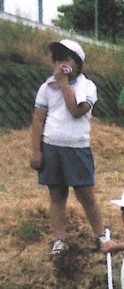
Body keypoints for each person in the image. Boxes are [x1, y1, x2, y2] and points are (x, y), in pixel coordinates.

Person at [30, 39, 106, 256]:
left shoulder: (87, 86)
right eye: (58, 59)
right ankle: (59, 240)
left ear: (78, 62)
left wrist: (63, 83)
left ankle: (100, 235)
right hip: (51, 146)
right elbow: (37, 120)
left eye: (67, 58)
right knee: (56, 194)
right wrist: (36, 151)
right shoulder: (46, 87)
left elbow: (75, 110)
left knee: (86, 194)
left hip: (77, 147)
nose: (62, 63)